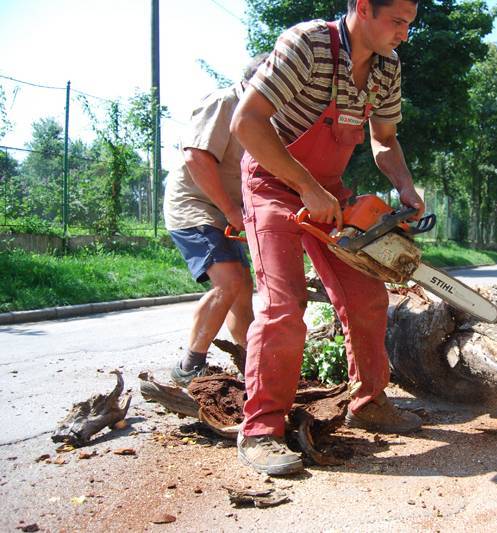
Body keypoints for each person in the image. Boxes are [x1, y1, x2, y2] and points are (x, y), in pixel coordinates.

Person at [230, 0, 423, 476]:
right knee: (283, 305)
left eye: (409, 24)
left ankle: (370, 401)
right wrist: (304, 185)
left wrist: (404, 185)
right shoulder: (310, 44)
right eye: (396, 21)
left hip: (332, 194)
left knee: (366, 295)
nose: (403, 34)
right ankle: (261, 430)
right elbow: (246, 122)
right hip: (273, 183)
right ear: (363, 8)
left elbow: (384, 139)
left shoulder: (387, 67)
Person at [163, 56, 266, 386]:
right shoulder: (224, 102)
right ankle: (189, 365)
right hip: (195, 205)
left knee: (241, 289)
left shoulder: (260, 115)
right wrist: (233, 211)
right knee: (229, 282)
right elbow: (196, 156)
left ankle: (252, 364)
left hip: (225, 210)